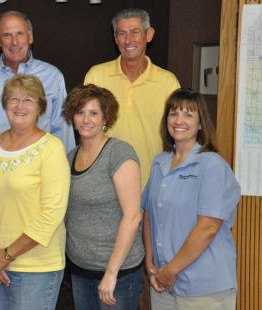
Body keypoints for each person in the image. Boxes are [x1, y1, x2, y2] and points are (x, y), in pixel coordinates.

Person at [0, 74, 70, 310]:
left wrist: (5, 256)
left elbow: (51, 215)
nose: (19, 105)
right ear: (5, 104)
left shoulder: (51, 148)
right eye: (13, 99)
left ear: (40, 108)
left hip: (36, 268)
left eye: (28, 100)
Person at [142, 89, 240, 309]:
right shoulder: (159, 163)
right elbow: (148, 214)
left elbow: (208, 228)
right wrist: (151, 262)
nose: (179, 120)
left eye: (188, 114)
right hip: (163, 285)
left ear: (200, 124)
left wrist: (171, 269)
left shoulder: (212, 165)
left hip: (205, 287)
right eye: (173, 113)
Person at [63, 84, 144, 310]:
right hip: (80, 270)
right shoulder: (70, 157)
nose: (86, 120)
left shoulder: (118, 153)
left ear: (106, 117)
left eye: (93, 113)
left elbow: (132, 216)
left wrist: (111, 273)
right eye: (80, 113)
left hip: (117, 274)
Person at [84, 8, 180, 188]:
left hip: (153, 185)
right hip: (105, 186)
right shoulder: (96, 76)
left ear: (149, 35)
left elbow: (180, 137)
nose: (128, 40)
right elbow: (85, 131)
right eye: (122, 33)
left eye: (135, 32)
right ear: (115, 38)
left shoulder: (168, 82)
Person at [0, 10, 75, 152]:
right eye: (7, 35)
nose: (14, 42)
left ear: (30, 37)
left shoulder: (53, 76)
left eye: (20, 34)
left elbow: (63, 133)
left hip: (40, 168)